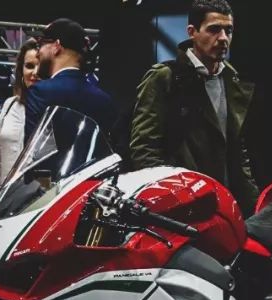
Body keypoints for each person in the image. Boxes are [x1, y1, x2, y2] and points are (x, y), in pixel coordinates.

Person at [128, 0, 258, 214]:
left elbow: (237, 150)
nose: (223, 38)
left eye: (228, 30)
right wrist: (171, 200)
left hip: (224, 203)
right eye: (214, 29)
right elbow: (145, 149)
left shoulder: (231, 79)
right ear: (192, 32)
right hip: (183, 205)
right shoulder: (166, 77)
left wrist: (253, 206)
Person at [24, 18, 115, 141]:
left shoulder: (40, 92)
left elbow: (33, 147)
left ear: (56, 46)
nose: (37, 53)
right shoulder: (104, 100)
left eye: (41, 45)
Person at [0, 39, 39, 191]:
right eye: (29, 66)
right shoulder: (10, 104)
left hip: (39, 198)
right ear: (21, 70)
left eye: (40, 66)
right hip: (5, 197)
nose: (34, 72)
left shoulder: (52, 107)